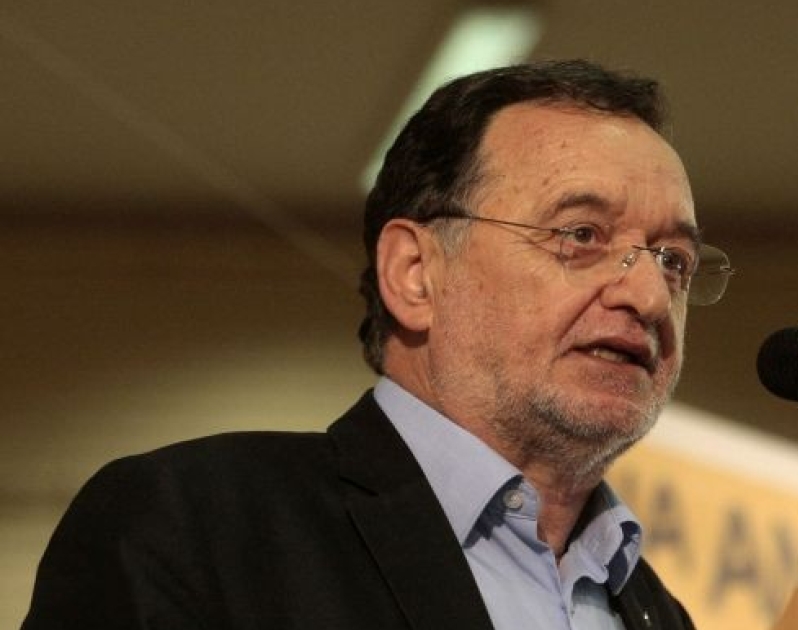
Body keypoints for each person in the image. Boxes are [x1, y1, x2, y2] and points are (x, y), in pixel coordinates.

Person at [23, 59, 732, 630]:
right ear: (415, 274)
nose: (648, 297)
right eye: (581, 235)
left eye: (674, 260)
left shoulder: (654, 609)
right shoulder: (198, 525)